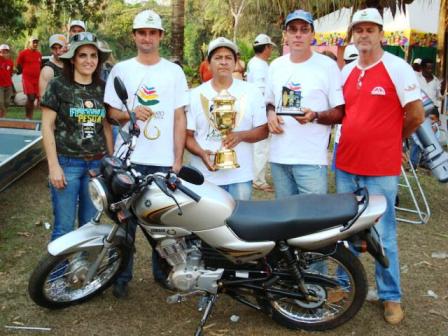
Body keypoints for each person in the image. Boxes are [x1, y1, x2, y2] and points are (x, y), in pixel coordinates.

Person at [298, 8, 424, 324]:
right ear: (354, 35)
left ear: (381, 34)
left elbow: (417, 115)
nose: (365, 35)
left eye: (371, 29)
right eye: (360, 30)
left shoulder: (398, 68)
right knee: (344, 230)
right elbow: (340, 112)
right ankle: (343, 285)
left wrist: (395, 140)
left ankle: (390, 297)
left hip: (380, 166)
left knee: (384, 233)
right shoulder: (348, 71)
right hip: (346, 162)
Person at [104, 9, 189, 298]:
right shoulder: (122, 70)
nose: (147, 38)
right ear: (134, 35)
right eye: (142, 32)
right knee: (124, 224)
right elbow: (111, 113)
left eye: (153, 33)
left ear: (161, 36)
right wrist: (129, 115)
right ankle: (121, 276)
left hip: (162, 161)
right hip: (129, 159)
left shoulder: (173, 71)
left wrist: (177, 160)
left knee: (162, 224)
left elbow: (179, 118)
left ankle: (162, 272)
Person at [40, 32, 113, 243]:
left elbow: (107, 126)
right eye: (83, 55)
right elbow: (47, 126)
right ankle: (57, 276)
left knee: (90, 227)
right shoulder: (58, 85)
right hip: (67, 163)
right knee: (64, 228)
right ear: (72, 58)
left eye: (93, 55)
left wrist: (111, 159)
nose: (89, 60)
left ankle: (83, 273)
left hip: (96, 166)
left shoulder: (102, 87)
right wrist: (54, 166)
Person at [266, 9, 344, 198]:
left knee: (313, 219)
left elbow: (340, 112)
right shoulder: (276, 66)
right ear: (286, 35)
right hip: (279, 157)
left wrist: (315, 116)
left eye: (304, 29)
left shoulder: (328, 66)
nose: (298, 34)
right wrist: (270, 114)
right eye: (293, 30)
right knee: (284, 217)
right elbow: (269, 102)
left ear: (312, 35)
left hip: (310, 159)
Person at [186, 37, 268, 200]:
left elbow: (263, 131)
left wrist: (240, 136)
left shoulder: (252, 92)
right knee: (206, 224)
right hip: (204, 176)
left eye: (228, 58)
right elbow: (187, 136)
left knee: (239, 223)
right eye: (218, 58)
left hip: (240, 176)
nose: (223, 62)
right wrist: (202, 153)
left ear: (236, 62)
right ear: (208, 63)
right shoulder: (194, 95)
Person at [247, 34, 276, 192]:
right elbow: (260, 89)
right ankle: (258, 179)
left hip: (254, 108)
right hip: (261, 109)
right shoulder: (260, 65)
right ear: (266, 48)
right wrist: (267, 110)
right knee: (261, 146)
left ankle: (255, 176)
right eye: (270, 47)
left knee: (257, 145)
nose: (271, 50)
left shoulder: (255, 62)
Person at [16, 37, 42, 119]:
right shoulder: (23, 53)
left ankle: (30, 116)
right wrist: (24, 72)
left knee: (33, 98)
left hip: (37, 79)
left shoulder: (39, 54)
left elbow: (39, 65)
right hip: (27, 79)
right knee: (30, 97)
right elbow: (18, 65)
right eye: (33, 42)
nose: (35, 44)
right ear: (29, 43)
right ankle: (27, 117)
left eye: (36, 43)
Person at [0, 44, 14, 118]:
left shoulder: (10, 62)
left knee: (7, 102)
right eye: (2, 52)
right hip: (0, 85)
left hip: (8, 85)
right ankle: (3, 117)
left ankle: (2, 117)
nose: (4, 53)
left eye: (6, 52)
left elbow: (10, 73)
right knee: (0, 102)